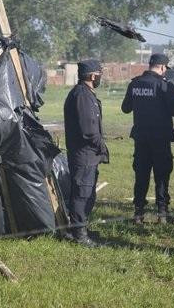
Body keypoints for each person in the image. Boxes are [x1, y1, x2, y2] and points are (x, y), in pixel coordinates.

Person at [122, 53, 174, 225]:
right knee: (162, 175)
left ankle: (138, 213)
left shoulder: (134, 84)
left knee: (141, 175)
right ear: (163, 67)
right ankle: (162, 214)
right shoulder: (164, 85)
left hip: (141, 138)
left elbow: (125, 108)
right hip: (160, 138)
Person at [63, 60, 109, 247]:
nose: (100, 77)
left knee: (88, 193)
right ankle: (79, 235)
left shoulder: (85, 93)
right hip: (84, 154)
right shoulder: (82, 95)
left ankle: (82, 229)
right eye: (99, 74)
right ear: (92, 76)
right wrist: (101, 146)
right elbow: (88, 129)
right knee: (82, 193)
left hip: (89, 154)